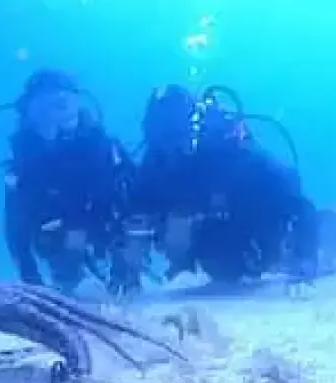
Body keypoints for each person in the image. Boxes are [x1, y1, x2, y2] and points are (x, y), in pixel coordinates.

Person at [129, 83, 319, 285]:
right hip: (210, 250)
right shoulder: (154, 167)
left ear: (192, 128)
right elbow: (135, 217)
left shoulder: (234, 158)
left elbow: (296, 200)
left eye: (174, 136)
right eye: (159, 139)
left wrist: (304, 255)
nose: (169, 151)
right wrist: (127, 265)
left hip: (252, 239)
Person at [3, 69, 134, 292]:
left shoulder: (101, 146)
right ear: (30, 114)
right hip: (56, 238)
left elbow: (132, 201)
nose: (55, 118)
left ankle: (123, 279)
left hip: (103, 228)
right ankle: (72, 276)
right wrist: (30, 277)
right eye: (44, 109)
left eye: (63, 105)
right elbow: (16, 226)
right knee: (68, 268)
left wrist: (125, 261)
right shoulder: (25, 161)